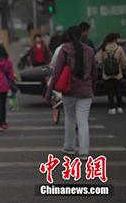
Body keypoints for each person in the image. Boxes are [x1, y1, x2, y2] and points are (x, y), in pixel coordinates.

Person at [47, 25, 97, 160]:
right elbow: (94, 73)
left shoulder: (64, 50)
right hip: (85, 91)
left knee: (69, 118)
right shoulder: (90, 51)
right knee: (83, 121)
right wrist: (93, 88)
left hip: (69, 90)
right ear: (81, 35)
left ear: (68, 36)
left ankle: (69, 147)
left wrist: (49, 90)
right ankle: (84, 152)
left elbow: (56, 72)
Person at [96, 33, 126, 114]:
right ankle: (120, 107)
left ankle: (112, 108)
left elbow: (99, 61)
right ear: (114, 39)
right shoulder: (119, 48)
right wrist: (121, 67)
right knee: (118, 91)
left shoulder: (103, 49)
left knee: (110, 92)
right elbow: (124, 60)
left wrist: (103, 67)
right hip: (117, 74)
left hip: (106, 75)